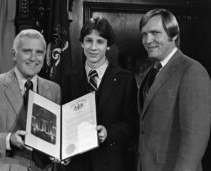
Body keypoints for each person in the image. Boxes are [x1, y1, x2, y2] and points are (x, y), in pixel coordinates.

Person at [0, 29, 61, 171]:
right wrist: (8, 139)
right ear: (14, 54)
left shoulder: (54, 89)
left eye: (39, 52)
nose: (33, 58)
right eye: (27, 51)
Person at [60, 17, 138, 171]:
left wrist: (108, 133)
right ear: (82, 43)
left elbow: (132, 124)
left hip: (112, 164)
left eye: (100, 42)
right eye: (89, 41)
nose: (93, 47)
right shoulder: (70, 78)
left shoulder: (125, 79)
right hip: (77, 165)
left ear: (108, 45)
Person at [137, 8, 211, 171]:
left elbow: (195, 140)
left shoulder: (192, 71)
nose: (148, 40)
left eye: (155, 33)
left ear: (174, 35)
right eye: (144, 34)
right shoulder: (151, 71)